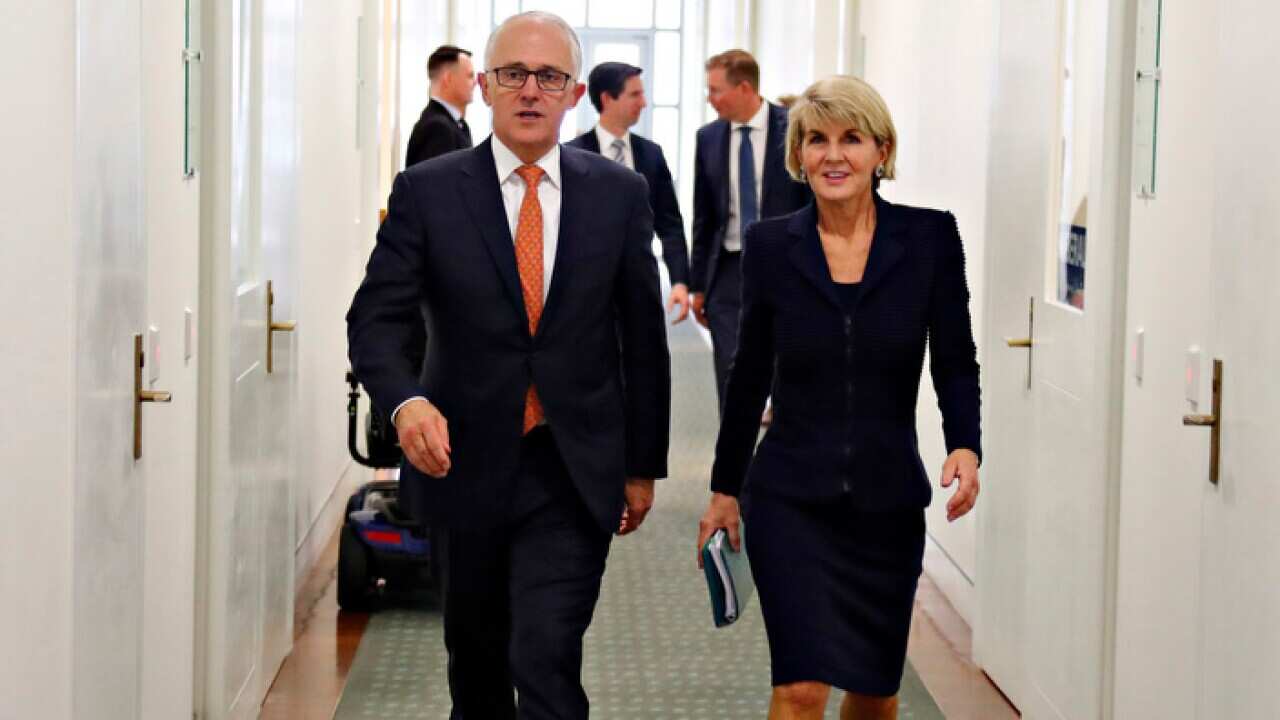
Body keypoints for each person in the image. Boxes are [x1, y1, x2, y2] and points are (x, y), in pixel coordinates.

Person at [347, 11, 670, 719]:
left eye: (549, 76)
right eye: (513, 74)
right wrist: (405, 403)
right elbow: (374, 320)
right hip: (459, 463)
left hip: (572, 465)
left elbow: (643, 338)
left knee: (548, 658)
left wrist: (643, 463)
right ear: (487, 87)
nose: (531, 90)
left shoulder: (618, 195)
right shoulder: (428, 191)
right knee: (479, 666)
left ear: (575, 92)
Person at [696, 75, 982, 720]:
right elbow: (749, 376)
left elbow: (956, 361)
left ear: (881, 150)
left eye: (851, 139)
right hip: (790, 499)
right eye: (816, 140)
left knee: (875, 692)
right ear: (797, 156)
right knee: (800, 689)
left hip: (887, 504)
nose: (833, 155)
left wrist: (966, 444)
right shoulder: (772, 246)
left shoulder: (930, 239)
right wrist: (724, 488)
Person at [691, 49, 811, 406]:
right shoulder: (708, 137)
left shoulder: (794, 127)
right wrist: (699, 285)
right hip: (727, 268)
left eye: (715, 90)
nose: (710, 99)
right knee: (730, 363)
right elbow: (703, 216)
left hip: (784, 263)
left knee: (782, 361)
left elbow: (809, 201)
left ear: (744, 87)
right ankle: (733, 453)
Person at [567, 62, 692, 323]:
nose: (644, 103)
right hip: (582, 288)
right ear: (607, 99)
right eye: (635, 94)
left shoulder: (651, 154)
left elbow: (669, 224)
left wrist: (680, 281)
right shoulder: (570, 156)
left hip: (640, 283)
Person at [404, 45, 476, 168]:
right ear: (448, 79)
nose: (475, 83)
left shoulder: (454, 124)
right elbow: (437, 184)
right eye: (469, 76)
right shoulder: (437, 128)